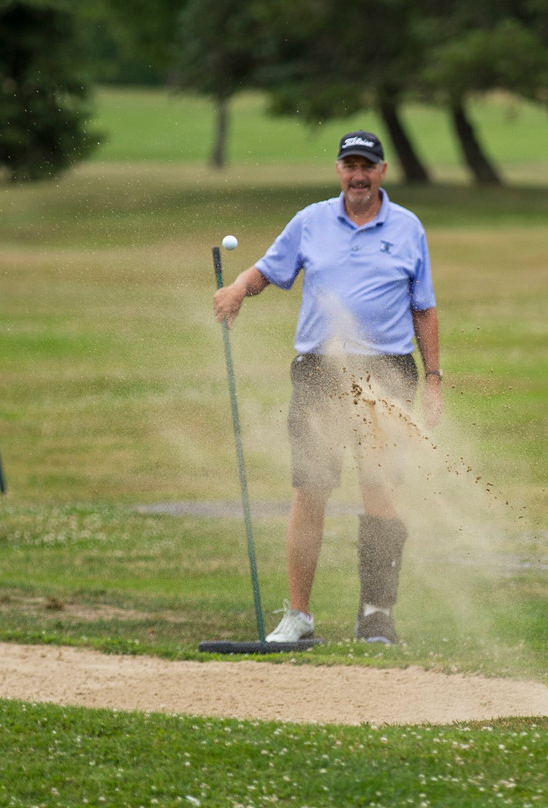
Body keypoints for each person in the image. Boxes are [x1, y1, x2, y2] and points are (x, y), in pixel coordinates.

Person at [213, 130, 443, 644]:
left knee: (379, 491)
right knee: (310, 490)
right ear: (339, 170)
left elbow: (423, 307)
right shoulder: (311, 221)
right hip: (319, 372)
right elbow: (267, 271)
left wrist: (432, 380)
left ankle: (376, 615)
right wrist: (237, 290)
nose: (357, 175)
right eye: (349, 165)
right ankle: (299, 616)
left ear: (382, 171)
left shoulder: (407, 229)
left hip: (385, 374)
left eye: (367, 166)